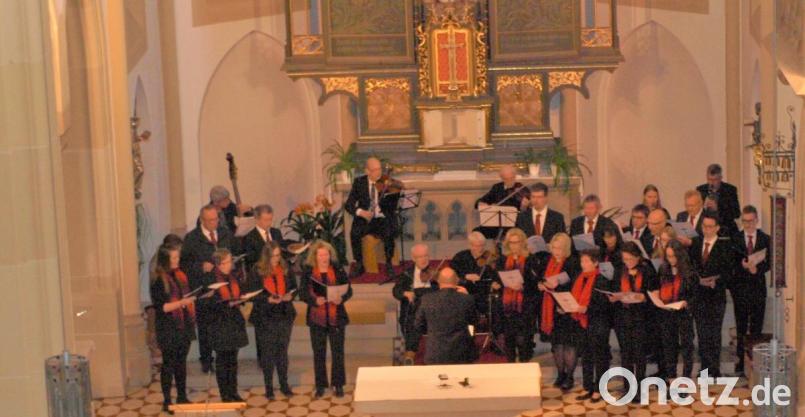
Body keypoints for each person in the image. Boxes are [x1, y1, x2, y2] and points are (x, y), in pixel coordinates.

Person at [181, 204, 237, 374]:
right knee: (205, 327)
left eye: (216, 219)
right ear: (202, 220)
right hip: (205, 289)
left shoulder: (225, 233)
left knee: (224, 325)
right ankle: (206, 360)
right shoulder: (192, 238)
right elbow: (184, 265)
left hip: (224, 287)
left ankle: (224, 357)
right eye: (210, 220)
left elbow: (233, 253)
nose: (214, 223)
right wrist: (200, 266)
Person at [300, 241, 352, 398]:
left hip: (336, 316)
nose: (324, 257)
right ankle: (320, 385)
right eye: (321, 254)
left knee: (338, 352)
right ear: (315, 256)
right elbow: (302, 293)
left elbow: (349, 290)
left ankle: (338, 384)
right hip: (317, 318)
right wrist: (315, 300)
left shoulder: (337, 269)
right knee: (319, 353)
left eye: (326, 254)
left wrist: (341, 298)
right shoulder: (308, 271)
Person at [150, 244, 196, 413]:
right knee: (168, 365)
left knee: (181, 363)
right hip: (168, 328)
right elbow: (161, 307)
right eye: (174, 258)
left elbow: (184, 296)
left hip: (183, 325)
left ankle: (182, 396)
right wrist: (182, 302)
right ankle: (167, 401)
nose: (178, 260)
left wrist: (190, 299)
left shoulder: (180, 274)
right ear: (165, 260)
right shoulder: (158, 280)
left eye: (178, 257)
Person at [247, 241, 296, 399]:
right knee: (268, 353)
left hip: (284, 314)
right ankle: (269, 388)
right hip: (265, 316)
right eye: (273, 256)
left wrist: (289, 295)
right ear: (266, 256)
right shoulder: (257, 270)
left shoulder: (285, 267)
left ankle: (284, 385)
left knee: (282, 352)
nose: (276, 259)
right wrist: (267, 299)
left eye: (278, 255)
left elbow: (294, 287)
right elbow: (251, 293)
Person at [609, 241, 657, 402]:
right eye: (625, 259)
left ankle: (639, 388)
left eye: (630, 259)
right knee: (626, 354)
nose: (627, 262)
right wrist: (615, 297)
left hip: (641, 318)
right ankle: (628, 388)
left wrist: (643, 297)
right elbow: (614, 289)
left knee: (639, 354)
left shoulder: (647, 270)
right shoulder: (619, 270)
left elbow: (653, 293)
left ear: (637, 257)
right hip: (622, 317)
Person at [689, 212, 735, 377]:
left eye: (710, 227)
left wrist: (717, 281)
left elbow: (729, 271)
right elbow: (690, 267)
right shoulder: (695, 243)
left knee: (714, 333)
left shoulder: (725, 246)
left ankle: (714, 369)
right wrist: (698, 280)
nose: (706, 230)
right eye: (704, 226)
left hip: (716, 296)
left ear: (717, 228)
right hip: (699, 295)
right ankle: (704, 369)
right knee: (702, 334)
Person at [200, 249, 249, 403]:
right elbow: (206, 304)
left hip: (233, 322)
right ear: (219, 264)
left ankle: (233, 391)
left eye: (230, 261)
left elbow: (240, 291)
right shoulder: (210, 279)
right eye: (227, 262)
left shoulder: (233, 277)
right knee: (222, 361)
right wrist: (226, 304)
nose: (231, 264)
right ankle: (225, 394)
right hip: (219, 324)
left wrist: (241, 298)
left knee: (233, 360)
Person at [537, 233, 580, 391]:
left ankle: (569, 376)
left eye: (559, 248)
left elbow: (575, 286)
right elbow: (540, 278)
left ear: (566, 248)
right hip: (551, 308)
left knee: (569, 344)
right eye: (554, 248)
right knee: (556, 344)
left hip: (566, 308)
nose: (556, 251)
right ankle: (560, 374)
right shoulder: (548, 261)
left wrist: (564, 304)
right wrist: (541, 285)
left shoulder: (572, 263)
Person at [731, 205, 770, 375]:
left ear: (757, 220)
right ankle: (740, 362)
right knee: (741, 327)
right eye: (745, 221)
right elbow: (730, 263)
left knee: (756, 327)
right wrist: (742, 265)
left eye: (751, 221)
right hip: (740, 289)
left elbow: (770, 262)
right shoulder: (735, 239)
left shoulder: (765, 239)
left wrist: (757, 269)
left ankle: (755, 361)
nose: (748, 224)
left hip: (758, 288)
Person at [345, 157, 401, 277]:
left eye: (380, 169)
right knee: (354, 233)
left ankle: (389, 263)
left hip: (382, 218)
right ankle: (359, 263)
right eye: (375, 170)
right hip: (366, 218)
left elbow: (393, 206)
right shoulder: (359, 183)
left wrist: (391, 192)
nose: (379, 172)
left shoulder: (386, 182)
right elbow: (348, 205)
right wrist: (361, 212)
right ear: (367, 171)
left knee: (389, 231)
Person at [651, 241, 696, 383]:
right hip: (667, 313)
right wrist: (656, 296)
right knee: (669, 346)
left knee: (687, 347)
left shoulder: (689, 271)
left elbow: (695, 295)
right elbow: (657, 286)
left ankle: (686, 379)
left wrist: (686, 302)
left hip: (683, 314)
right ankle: (671, 378)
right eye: (668, 256)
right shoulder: (663, 269)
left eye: (673, 256)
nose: (671, 259)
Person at [414, 267, 479, 365]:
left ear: (438, 281)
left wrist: (432, 330)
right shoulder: (467, 299)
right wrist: (467, 296)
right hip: (462, 353)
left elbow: (418, 325)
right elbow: (475, 321)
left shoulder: (426, 299)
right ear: (457, 281)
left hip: (435, 353)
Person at [493, 228, 540, 363]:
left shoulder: (530, 259)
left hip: (524, 306)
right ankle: (512, 366)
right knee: (509, 340)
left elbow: (535, 283)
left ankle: (524, 365)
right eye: (511, 243)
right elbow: (497, 278)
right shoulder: (502, 260)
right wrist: (496, 284)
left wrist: (523, 287)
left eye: (517, 242)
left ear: (522, 243)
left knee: (523, 341)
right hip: (507, 307)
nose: (514, 246)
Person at [573, 250, 610, 403]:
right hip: (582, 322)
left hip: (598, 323)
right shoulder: (580, 278)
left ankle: (599, 389)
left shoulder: (602, 279)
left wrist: (587, 309)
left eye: (586, 261)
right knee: (586, 356)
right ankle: (587, 386)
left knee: (599, 357)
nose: (583, 264)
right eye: (582, 261)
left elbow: (604, 305)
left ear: (595, 263)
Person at [392, 244, 439, 363]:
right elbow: (396, 291)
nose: (424, 259)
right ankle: (409, 355)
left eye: (426, 256)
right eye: (420, 257)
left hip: (433, 312)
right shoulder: (407, 274)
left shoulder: (435, 274)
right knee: (413, 322)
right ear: (413, 258)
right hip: (413, 312)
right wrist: (405, 293)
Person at [474, 164, 530, 239]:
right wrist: (481, 204)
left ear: (515, 176)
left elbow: (528, 213)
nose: (509, 181)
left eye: (511, 178)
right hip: (496, 225)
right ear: (502, 178)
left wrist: (524, 207)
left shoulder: (522, 189)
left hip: (514, 225)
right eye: (506, 179)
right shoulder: (497, 188)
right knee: (476, 232)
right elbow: (479, 202)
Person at [451, 231, 498, 317]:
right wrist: (465, 276)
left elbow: (494, 275)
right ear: (470, 245)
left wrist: (493, 282)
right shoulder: (460, 257)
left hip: (483, 294)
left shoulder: (489, 257)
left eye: (482, 245)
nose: (481, 249)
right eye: (477, 246)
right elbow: (452, 275)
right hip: (465, 293)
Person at [697, 164, 741, 236]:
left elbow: (736, 213)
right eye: (709, 179)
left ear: (721, 178)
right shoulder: (700, 190)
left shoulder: (730, 190)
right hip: (706, 230)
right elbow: (696, 212)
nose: (711, 183)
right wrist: (703, 207)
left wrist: (718, 208)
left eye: (715, 180)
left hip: (725, 230)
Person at [243, 204, 285, 271]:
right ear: (257, 220)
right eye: (266, 220)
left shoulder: (276, 232)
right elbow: (251, 260)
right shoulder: (250, 237)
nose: (269, 223)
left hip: (279, 268)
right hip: (262, 270)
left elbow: (282, 251)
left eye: (270, 219)